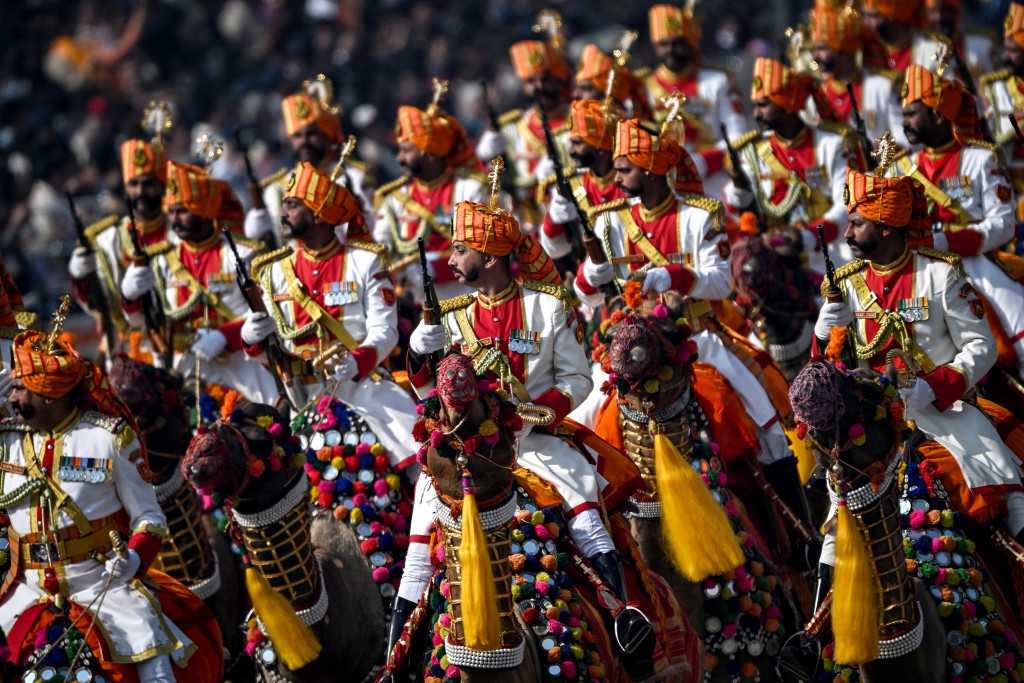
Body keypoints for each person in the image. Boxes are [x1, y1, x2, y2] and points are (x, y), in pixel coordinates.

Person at [400, 192, 654, 665]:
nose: (451, 259)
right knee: (418, 544)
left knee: (585, 514)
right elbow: (426, 397)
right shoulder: (451, 316)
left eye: (460, 249)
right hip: (468, 456)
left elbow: (576, 381)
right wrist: (417, 354)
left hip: (534, 443)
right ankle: (398, 657)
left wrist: (534, 413)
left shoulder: (548, 307)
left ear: (490, 256)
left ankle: (625, 623)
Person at [573, 117, 806, 511]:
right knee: (580, 426)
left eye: (625, 169)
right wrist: (589, 276)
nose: (617, 177)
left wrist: (672, 276)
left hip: (699, 341)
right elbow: (589, 299)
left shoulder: (702, 214)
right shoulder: (608, 219)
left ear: (651, 170)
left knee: (765, 425)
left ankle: (801, 532)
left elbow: (721, 284)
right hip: (629, 353)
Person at [813, 167, 1024, 541]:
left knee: (1011, 498)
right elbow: (827, 370)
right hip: (872, 424)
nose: (847, 234)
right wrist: (821, 333)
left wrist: (935, 386)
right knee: (832, 541)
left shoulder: (941, 275)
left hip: (947, 413)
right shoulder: (843, 284)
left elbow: (982, 347)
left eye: (857, 224)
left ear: (886, 228)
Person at [0, 321, 194, 681]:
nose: (11, 400)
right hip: (24, 591)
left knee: (157, 668)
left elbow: (150, 517)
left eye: (19, 390)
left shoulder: (109, 439)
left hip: (102, 586)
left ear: (48, 394)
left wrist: (133, 559)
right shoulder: (7, 441)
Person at [244, 161, 418, 469]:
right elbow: (268, 352)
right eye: (284, 205)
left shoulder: (365, 262)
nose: (283, 213)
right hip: (300, 398)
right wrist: (251, 338)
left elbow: (385, 330)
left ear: (318, 214)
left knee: (414, 459)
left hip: (362, 389)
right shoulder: (272, 272)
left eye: (293, 205)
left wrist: (357, 360)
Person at [885, 62, 1024, 372]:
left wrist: (944, 240)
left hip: (976, 265)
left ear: (936, 115)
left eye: (911, 113)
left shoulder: (980, 159)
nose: (904, 122)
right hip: (919, 272)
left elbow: (1003, 224)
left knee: (1019, 327)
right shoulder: (898, 170)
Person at [119, 159, 279, 404]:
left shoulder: (242, 254)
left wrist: (225, 336)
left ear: (204, 210)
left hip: (239, 361)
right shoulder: (160, 259)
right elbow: (141, 319)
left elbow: (268, 310)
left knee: (275, 411)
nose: (175, 219)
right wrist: (129, 296)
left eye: (182, 211)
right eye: (171, 212)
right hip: (182, 365)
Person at [724, 56, 861, 275]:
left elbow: (847, 206)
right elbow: (734, 209)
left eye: (763, 105)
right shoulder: (753, 151)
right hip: (772, 265)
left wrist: (807, 237)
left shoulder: (831, 144)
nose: (756, 114)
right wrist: (737, 190)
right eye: (755, 106)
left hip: (829, 259)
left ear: (786, 104)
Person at [68, 137, 173, 360]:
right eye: (134, 184)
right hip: (128, 350)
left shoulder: (180, 230)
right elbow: (99, 305)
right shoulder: (107, 240)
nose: (140, 191)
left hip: (179, 342)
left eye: (148, 184)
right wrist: (80, 278)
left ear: (162, 185)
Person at [373, 99, 484, 303]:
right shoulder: (394, 199)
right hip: (417, 307)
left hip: (468, 301)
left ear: (430, 153)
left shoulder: (468, 188)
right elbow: (380, 249)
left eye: (407, 150)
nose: (399, 158)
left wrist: (431, 269)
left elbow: (480, 250)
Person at [243, 75, 374, 246]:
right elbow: (261, 237)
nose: (304, 141)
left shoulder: (353, 179)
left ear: (327, 137)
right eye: (297, 135)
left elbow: (373, 230)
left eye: (311, 134)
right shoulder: (277, 189)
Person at [641, 3, 747, 196]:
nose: (671, 49)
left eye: (678, 43)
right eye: (664, 44)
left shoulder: (717, 81)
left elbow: (738, 136)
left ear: (690, 43)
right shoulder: (643, 87)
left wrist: (704, 162)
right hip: (663, 182)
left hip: (714, 178)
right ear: (655, 48)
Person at [475, 33, 572, 230]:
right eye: (531, 82)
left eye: (545, 79)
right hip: (530, 226)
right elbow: (491, 181)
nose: (539, 87)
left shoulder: (577, 119)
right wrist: (485, 158)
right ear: (522, 86)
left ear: (558, 79)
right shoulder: (512, 129)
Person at [804, 1, 907, 147]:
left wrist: (881, 151)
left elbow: (905, 138)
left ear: (845, 52)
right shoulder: (815, 97)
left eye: (822, 49)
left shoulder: (882, 87)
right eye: (814, 50)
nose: (815, 56)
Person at [538, 99, 627, 261]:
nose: (571, 151)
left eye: (578, 143)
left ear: (601, 147)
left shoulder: (633, 180)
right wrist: (553, 218)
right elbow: (554, 250)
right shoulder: (572, 185)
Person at [980, 3, 1024, 206]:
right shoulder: (997, 89)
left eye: (1013, 51)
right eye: (1005, 49)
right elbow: (996, 137)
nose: (1005, 57)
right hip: (1010, 194)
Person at [861, 0, 944, 75]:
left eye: (874, 16)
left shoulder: (933, 49)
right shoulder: (867, 52)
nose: (866, 23)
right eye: (864, 15)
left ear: (894, 16)